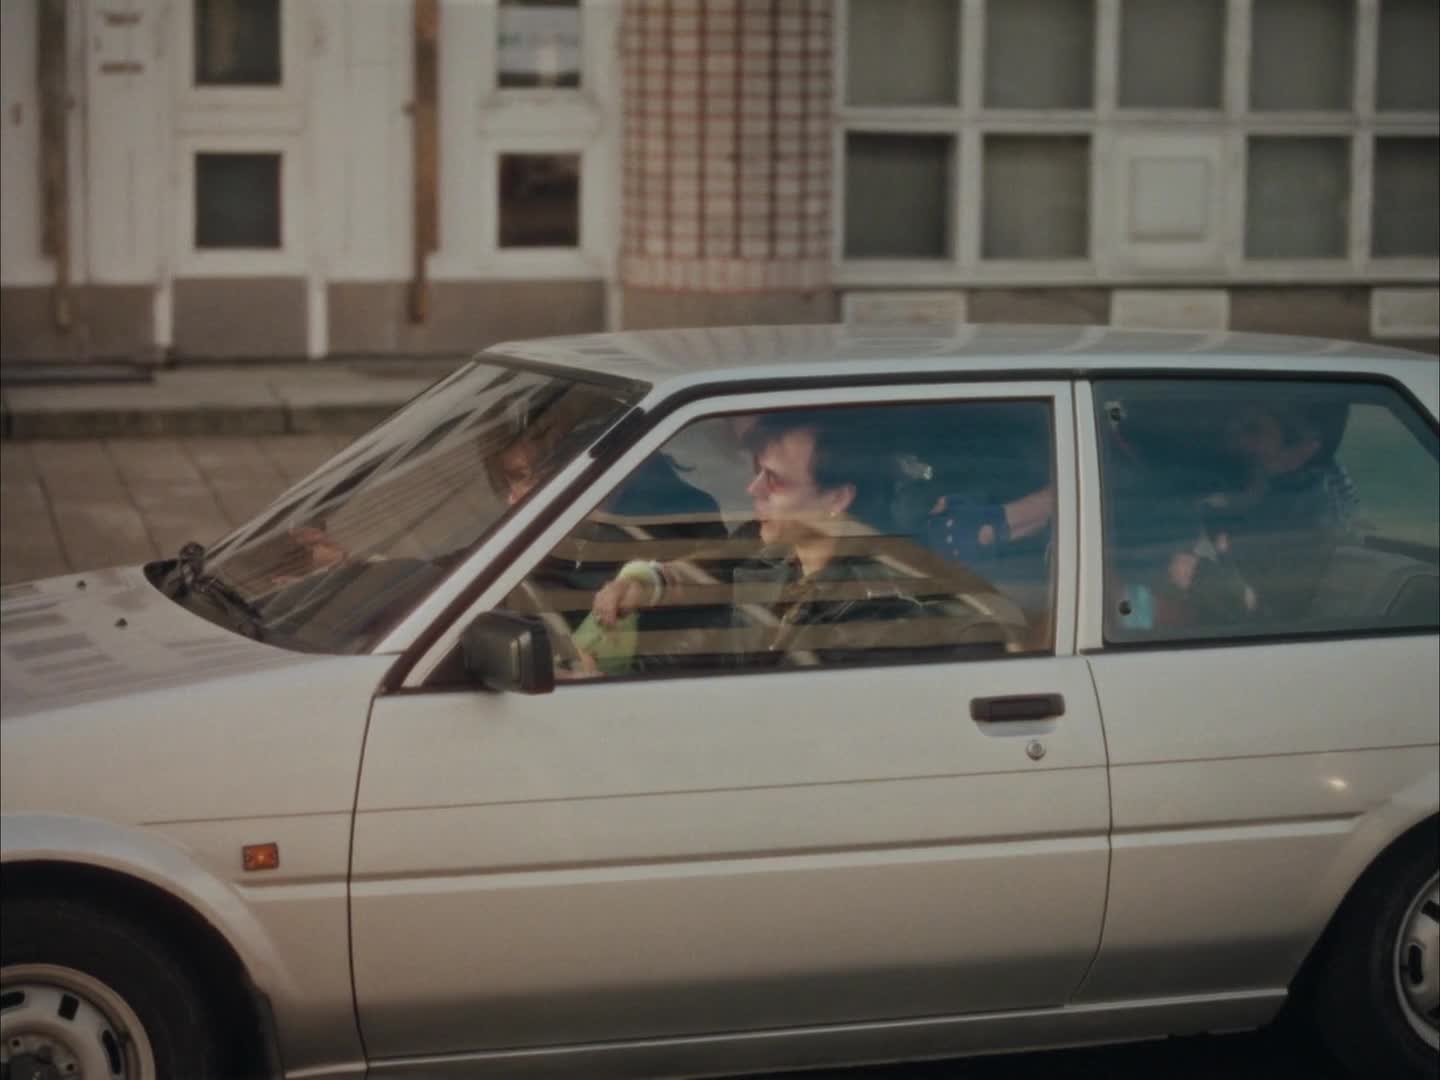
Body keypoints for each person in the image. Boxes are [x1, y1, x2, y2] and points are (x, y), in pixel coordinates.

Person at [586, 411, 1020, 671]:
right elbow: (710, 574)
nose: (753, 489)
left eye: (774, 479)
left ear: (837, 498)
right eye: (758, 471)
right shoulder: (770, 549)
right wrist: (647, 583)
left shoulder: (876, 615)